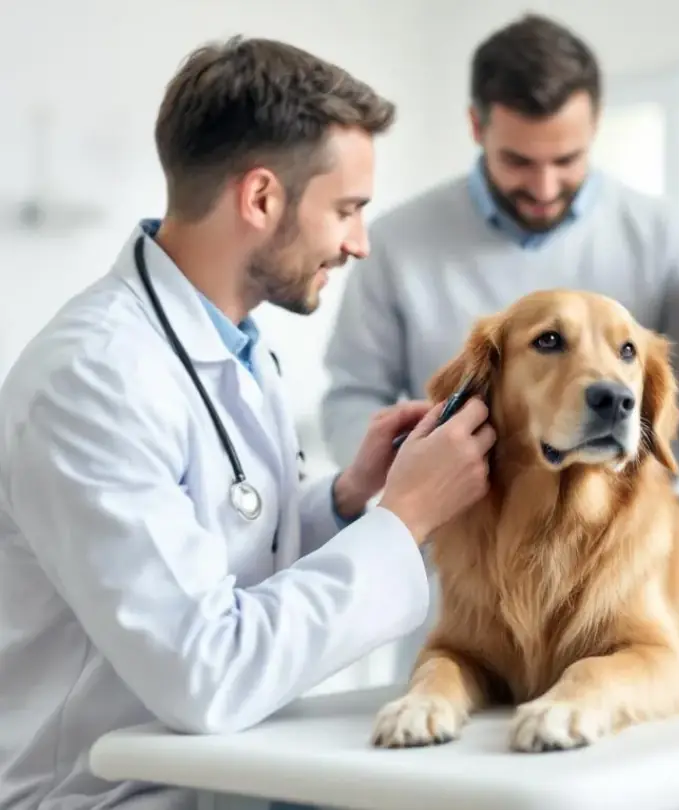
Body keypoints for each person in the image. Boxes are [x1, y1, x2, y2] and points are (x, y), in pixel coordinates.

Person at [0, 37, 495, 810]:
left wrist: (346, 498)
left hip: (220, 778)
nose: (359, 243)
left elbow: (219, 550)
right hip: (102, 798)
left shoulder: (235, 347)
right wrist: (405, 517)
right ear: (262, 198)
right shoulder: (90, 379)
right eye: (347, 210)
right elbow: (208, 670)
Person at [319, 12, 679, 678]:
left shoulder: (659, 235)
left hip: (618, 573)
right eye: (518, 161)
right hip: (460, 571)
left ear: (595, 126)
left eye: (567, 161)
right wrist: (424, 476)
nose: (544, 187)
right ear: (477, 126)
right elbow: (352, 394)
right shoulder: (400, 243)